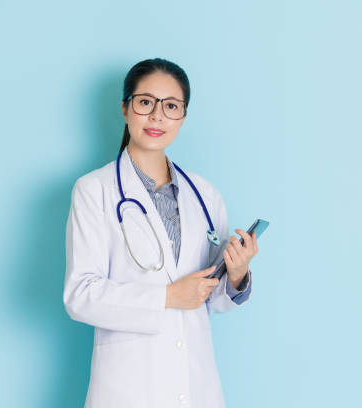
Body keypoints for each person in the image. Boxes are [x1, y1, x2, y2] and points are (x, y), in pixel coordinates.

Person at [63, 58, 258, 408]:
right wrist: (167, 297)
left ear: (183, 116)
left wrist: (237, 273)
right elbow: (80, 295)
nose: (157, 116)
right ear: (125, 108)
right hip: (127, 387)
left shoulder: (205, 195)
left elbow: (210, 298)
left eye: (170, 106)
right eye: (145, 102)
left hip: (195, 385)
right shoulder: (94, 190)